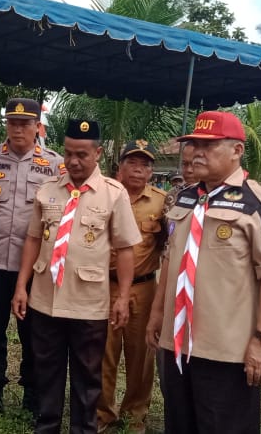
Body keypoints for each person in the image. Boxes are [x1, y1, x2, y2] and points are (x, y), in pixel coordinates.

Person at [146, 110, 261, 433]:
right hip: (178, 341)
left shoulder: (259, 204)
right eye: (193, 144)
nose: (196, 152)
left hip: (226, 350)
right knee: (180, 423)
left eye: (208, 146)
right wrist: (157, 314)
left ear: (237, 150)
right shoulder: (184, 199)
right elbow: (170, 260)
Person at [12, 118, 142, 434]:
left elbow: (125, 249)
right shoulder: (48, 190)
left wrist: (123, 297)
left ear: (97, 153)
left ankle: (84, 430)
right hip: (45, 300)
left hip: (89, 304)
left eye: (82, 154)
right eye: (69, 152)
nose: (73, 161)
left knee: (87, 378)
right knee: (47, 372)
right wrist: (21, 286)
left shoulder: (113, 194)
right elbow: (32, 239)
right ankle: (47, 426)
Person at [0, 98, 64, 419]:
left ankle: (32, 394)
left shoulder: (53, 165)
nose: (18, 129)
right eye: (12, 122)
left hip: (33, 267)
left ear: (37, 127)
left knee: (34, 333)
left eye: (25, 123)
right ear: (6, 124)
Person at [97, 139, 166, 433]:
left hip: (145, 287)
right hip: (104, 286)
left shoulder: (162, 202)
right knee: (103, 354)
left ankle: (134, 415)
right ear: (120, 167)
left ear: (151, 172)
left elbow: (166, 244)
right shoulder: (104, 194)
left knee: (141, 355)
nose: (139, 170)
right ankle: (102, 415)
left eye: (145, 165)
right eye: (132, 163)